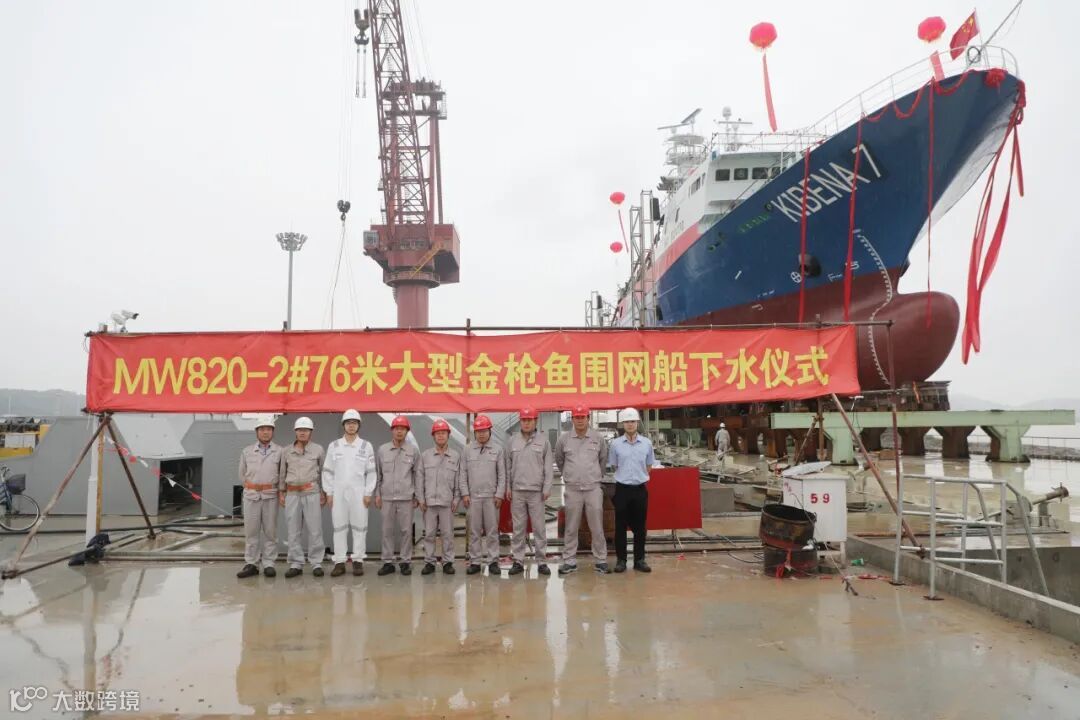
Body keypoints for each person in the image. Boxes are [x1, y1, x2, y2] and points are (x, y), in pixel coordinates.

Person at [555, 404, 609, 575]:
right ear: (572, 419)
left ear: (588, 418)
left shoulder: (598, 438)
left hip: (593, 488)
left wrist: (593, 476)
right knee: (571, 527)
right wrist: (570, 475)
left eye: (582, 417)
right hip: (573, 489)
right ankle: (569, 560)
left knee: (597, 526)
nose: (579, 420)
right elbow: (560, 460)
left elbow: (603, 460)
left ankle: (601, 560)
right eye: (577, 417)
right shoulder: (564, 439)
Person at [322, 409, 377, 577]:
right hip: (338, 493)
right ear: (343, 425)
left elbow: (371, 472)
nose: (351, 426)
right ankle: (339, 562)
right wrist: (329, 492)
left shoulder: (366, 446)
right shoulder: (334, 445)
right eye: (348, 423)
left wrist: (368, 493)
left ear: (358, 425)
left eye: (354, 423)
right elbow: (327, 471)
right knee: (339, 527)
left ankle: (358, 560)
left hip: (359, 493)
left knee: (360, 527)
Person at [607, 407, 658, 573]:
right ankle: (621, 560)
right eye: (627, 421)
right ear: (623, 424)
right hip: (622, 490)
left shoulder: (646, 443)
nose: (630, 424)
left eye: (633, 421)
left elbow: (649, 466)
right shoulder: (615, 444)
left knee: (640, 527)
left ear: (637, 423)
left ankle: (639, 560)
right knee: (620, 526)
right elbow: (614, 465)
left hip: (639, 490)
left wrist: (638, 477)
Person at [506, 406, 553, 576]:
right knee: (518, 528)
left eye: (529, 420)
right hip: (517, 491)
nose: (526, 423)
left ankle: (541, 561)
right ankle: (518, 561)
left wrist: (547, 488)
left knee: (539, 528)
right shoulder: (512, 441)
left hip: (536, 492)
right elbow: (507, 466)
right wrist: (508, 487)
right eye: (524, 420)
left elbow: (548, 467)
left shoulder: (544, 441)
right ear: (520, 421)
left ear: (535, 421)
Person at [279, 416, 327, 578]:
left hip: (311, 492)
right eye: (300, 430)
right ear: (295, 431)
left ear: (311, 432)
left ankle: (316, 563)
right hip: (292, 494)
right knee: (293, 530)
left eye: (306, 430)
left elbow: (323, 472)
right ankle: (296, 563)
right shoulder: (286, 451)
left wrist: (324, 492)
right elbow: (282, 473)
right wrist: (281, 491)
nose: (302, 432)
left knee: (315, 529)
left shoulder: (318, 450)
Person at [237, 415, 284, 579]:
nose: (265, 432)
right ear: (257, 432)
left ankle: (269, 563)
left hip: (270, 496)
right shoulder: (247, 451)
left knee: (270, 531)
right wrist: (252, 486)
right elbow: (242, 474)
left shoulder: (280, 451)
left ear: (273, 431)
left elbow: (282, 474)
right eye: (262, 429)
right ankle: (251, 563)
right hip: (251, 496)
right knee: (251, 531)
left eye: (268, 429)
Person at [418, 418, 465, 575]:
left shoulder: (455, 456)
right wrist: (421, 499)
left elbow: (458, 479)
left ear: (448, 435)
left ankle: (448, 562)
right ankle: (429, 562)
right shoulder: (425, 456)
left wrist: (456, 499)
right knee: (429, 534)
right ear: (433, 436)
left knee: (447, 534)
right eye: (437, 433)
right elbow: (419, 479)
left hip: (447, 502)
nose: (440, 436)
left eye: (443, 433)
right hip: (429, 503)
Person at [375, 415, 420, 576]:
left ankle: (405, 561)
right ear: (392, 430)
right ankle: (388, 562)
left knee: (406, 531)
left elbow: (417, 475)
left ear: (407, 431)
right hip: (387, 497)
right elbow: (378, 474)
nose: (399, 431)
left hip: (406, 498)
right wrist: (378, 494)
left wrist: (417, 496)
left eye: (402, 429)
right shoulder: (382, 450)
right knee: (387, 530)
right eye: (396, 429)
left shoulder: (413, 451)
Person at [461, 413, 506, 576]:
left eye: (484, 431)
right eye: (478, 431)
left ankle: (493, 561)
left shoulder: (497, 449)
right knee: (474, 531)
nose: (481, 434)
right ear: (475, 432)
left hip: (491, 498)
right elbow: (462, 474)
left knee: (492, 531)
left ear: (489, 431)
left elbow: (502, 474)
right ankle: (475, 562)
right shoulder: (467, 450)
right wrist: (465, 493)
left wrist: (499, 494)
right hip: (473, 498)